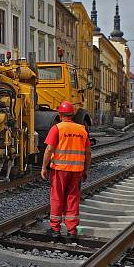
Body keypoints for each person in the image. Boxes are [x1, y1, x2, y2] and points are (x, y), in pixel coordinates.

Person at [41, 101, 91, 243]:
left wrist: (44, 167)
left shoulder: (57, 128)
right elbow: (88, 153)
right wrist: (85, 169)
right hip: (76, 171)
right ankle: (72, 230)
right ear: (73, 114)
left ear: (60, 114)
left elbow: (49, 149)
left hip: (59, 170)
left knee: (57, 198)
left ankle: (55, 229)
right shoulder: (82, 130)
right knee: (72, 198)